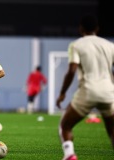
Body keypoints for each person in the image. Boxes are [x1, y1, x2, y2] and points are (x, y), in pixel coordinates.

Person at [56, 14, 114, 160]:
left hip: (88, 91)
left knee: (65, 126)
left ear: (80, 28)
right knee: (112, 131)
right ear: (97, 28)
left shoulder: (76, 45)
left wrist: (62, 93)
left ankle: (69, 155)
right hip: (109, 92)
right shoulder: (110, 45)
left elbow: (72, 70)